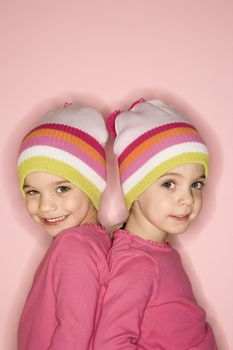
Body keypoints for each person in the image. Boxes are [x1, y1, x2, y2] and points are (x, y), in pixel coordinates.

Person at [93, 99, 218, 349]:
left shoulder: (153, 250)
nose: (187, 199)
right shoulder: (138, 263)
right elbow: (110, 343)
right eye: (169, 184)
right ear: (135, 188)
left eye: (196, 184)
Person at [17, 103, 111, 349]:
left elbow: (73, 336)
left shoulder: (74, 247)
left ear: (92, 185)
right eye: (33, 192)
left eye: (62, 189)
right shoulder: (91, 241)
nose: (46, 206)